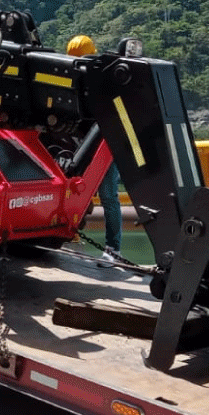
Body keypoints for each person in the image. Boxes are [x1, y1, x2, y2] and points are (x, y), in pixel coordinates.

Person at [66, 35, 122, 267]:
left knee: (108, 195)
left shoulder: (104, 81)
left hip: (103, 145)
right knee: (94, 194)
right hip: (83, 144)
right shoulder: (73, 79)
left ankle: (113, 249)